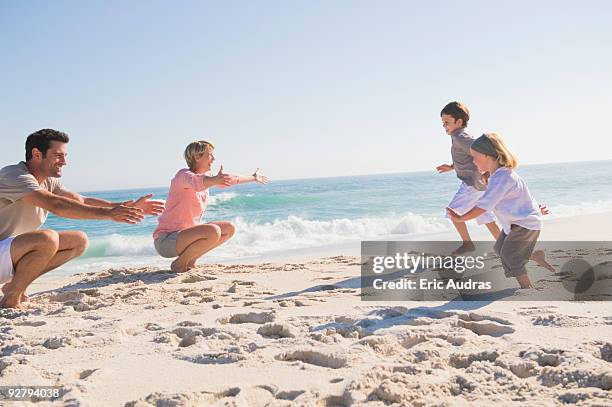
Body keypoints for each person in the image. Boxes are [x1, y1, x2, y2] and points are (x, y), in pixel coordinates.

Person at [0, 129, 164, 308]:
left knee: (78, 240)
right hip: (6, 251)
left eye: (65, 156)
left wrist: (122, 207)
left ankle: (15, 286)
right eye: (58, 155)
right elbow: (56, 205)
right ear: (37, 154)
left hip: (10, 253)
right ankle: (11, 299)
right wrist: (108, 214)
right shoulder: (14, 176)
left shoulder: (48, 181)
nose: (64, 162)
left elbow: (81, 200)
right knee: (48, 238)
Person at [447, 133, 550, 289]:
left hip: (525, 224)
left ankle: (527, 287)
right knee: (500, 248)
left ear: (488, 156)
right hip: (516, 223)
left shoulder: (503, 177)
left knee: (510, 254)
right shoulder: (498, 175)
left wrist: (462, 218)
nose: (473, 162)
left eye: (475, 157)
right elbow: (521, 195)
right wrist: (536, 208)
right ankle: (535, 256)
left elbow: (484, 205)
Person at [153, 140, 268, 273]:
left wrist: (253, 177)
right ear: (197, 157)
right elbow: (196, 182)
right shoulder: (183, 176)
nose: (213, 159)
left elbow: (230, 179)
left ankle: (190, 260)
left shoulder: (207, 178)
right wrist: (214, 180)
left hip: (186, 237)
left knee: (228, 228)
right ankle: (179, 264)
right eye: (210, 155)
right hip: (167, 241)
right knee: (213, 231)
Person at [436, 101, 499, 254]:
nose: (444, 126)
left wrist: (489, 171)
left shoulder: (461, 137)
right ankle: (504, 244)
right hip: (477, 184)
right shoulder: (457, 136)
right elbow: (467, 158)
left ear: (459, 122)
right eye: (443, 122)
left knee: (452, 212)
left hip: (471, 184)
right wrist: (452, 166)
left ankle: (467, 243)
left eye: (447, 122)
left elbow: (484, 151)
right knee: (485, 215)